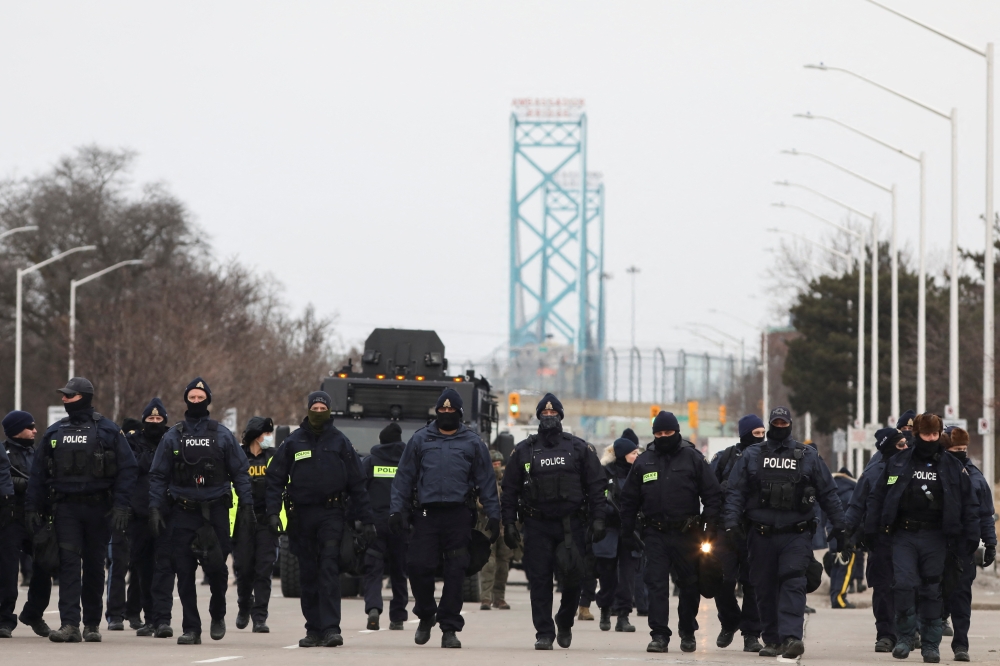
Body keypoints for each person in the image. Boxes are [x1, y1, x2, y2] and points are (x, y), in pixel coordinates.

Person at [723, 406, 845, 660]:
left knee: (793, 581)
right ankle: (772, 639)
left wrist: (840, 527)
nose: (779, 427)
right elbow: (736, 492)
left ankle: (791, 637)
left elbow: (828, 494)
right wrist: (731, 524)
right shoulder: (752, 455)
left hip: (796, 534)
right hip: (760, 533)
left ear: (790, 424)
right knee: (764, 587)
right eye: (775, 423)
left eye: (783, 423)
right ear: (770, 425)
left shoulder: (807, 455)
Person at [26, 377, 138, 643]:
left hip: (99, 508)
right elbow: (38, 474)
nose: (64, 400)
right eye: (64, 396)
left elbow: (128, 469)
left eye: (70, 396)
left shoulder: (108, 430)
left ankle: (91, 624)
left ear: (84, 397)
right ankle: (70, 624)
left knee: (95, 566)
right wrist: (32, 507)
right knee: (68, 565)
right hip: (66, 508)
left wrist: (122, 505)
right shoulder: (55, 432)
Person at [390, 388, 500, 649]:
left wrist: (494, 515)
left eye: (451, 410)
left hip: (458, 516)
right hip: (426, 515)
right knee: (418, 566)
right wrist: (397, 510)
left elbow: (486, 481)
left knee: (455, 572)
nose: (446, 413)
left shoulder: (473, 443)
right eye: (442, 410)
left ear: (459, 413)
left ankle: (449, 628)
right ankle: (427, 614)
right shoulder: (420, 440)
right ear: (437, 412)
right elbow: (403, 478)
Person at [865, 413, 980, 663]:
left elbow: (969, 503)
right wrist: (870, 530)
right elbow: (878, 497)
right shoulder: (898, 462)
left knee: (932, 590)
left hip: (937, 536)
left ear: (939, 435)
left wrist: (971, 536)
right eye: (926, 434)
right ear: (916, 434)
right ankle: (905, 637)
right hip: (904, 534)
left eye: (935, 434)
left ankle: (931, 644)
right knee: (904, 585)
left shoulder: (951, 465)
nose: (930, 438)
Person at [266, 391, 375, 648]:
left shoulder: (340, 442)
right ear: (308, 409)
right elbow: (274, 479)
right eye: (313, 407)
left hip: (332, 515)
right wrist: (272, 513)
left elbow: (358, 484)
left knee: (328, 569)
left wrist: (367, 521)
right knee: (308, 573)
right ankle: (313, 629)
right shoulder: (293, 442)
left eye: (322, 407)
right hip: (301, 516)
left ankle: (330, 629)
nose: (317, 411)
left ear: (328, 410)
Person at [148, 377, 252, 645]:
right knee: (183, 572)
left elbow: (240, 472)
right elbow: (158, 476)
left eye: (200, 397)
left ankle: (217, 614)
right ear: (186, 400)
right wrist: (156, 508)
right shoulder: (174, 435)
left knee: (217, 570)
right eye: (192, 398)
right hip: (183, 511)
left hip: (216, 510)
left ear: (208, 400)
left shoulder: (222, 434)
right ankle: (191, 628)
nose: (196, 402)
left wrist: (247, 505)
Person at [499, 394, 605, 650]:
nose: (549, 418)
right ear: (538, 418)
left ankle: (565, 620)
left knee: (573, 578)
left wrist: (599, 517)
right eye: (544, 415)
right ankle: (544, 632)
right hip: (537, 525)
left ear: (560, 417)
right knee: (540, 579)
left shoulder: (579, 448)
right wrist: (509, 523)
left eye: (553, 415)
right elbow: (510, 489)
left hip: (571, 525)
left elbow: (596, 486)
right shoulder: (524, 450)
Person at [619, 410, 721, 654]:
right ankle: (659, 635)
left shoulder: (693, 458)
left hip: (688, 533)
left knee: (689, 584)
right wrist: (627, 531)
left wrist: (710, 524)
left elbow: (713, 495)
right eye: (659, 433)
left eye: (668, 433)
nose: (664, 437)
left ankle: (687, 630)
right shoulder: (644, 461)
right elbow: (629, 500)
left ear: (677, 432)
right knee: (655, 583)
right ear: (654, 434)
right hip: (655, 533)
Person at [845, 427, 907, 653]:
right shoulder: (873, 473)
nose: (906, 448)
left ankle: (909, 631)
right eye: (900, 445)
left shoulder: (913, 467)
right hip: (881, 539)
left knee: (908, 585)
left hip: (908, 537)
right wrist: (846, 533)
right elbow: (856, 505)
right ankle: (886, 634)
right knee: (882, 588)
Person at [940, 426, 996, 662]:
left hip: (964, 545)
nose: (961, 453)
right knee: (931, 592)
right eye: (955, 450)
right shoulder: (934, 473)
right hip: (936, 543)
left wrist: (990, 542)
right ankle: (927, 634)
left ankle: (961, 644)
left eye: (963, 449)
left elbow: (986, 513)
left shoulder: (975, 477)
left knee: (961, 595)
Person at [708, 414, 763, 652]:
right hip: (725, 529)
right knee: (723, 580)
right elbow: (709, 490)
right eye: (756, 433)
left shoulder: (768, 457)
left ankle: (751, 633)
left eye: (763, 433)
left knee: (753, 583)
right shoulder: (724, 458)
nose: (760, 438)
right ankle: (729, 621)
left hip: (755, 528)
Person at [115, 400, 169, 636]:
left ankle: (163, 619)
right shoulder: (132, 441)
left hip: (167, 513)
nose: (155, 423)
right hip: (139, 515)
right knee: (143, 569)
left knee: (165, 568)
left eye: (159, 419)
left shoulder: (172, 438)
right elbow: (131, 467)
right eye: (151, 419)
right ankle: (150, 618)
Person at [0, 411, 51, 639]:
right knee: (8, 571)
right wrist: (25, 484)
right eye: (30, 426)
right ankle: (4, 619)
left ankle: (33, 613)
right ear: (16, 430)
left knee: (45, 565)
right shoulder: (4, 452)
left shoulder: (37, 453)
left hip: (35, 516)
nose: (35, 430)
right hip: (10, 518)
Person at [361, 422, 409, 630]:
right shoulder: (408, 463)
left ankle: (373, 607)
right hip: (401, 524)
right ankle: (397, 617)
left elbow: (359, 491)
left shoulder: (370, 462)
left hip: (376, 524)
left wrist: (361, 520)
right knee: (399, 571)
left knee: (373, 569)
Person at [233, 416, 277, 633]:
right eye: (266, 434)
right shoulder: (238, 456)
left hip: (266, 520)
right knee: (243, 568)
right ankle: (244, 605)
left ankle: (260, 617)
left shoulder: (274, 457)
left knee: (264, 569)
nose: (269, 438)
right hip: (242, 520)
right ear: (256, 435)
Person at [594, 436, 641, 633]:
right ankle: (605, 609)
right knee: (607, 576)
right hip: (609, 530)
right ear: (623, 455)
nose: (637, 455)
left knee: (628, 576)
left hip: (630, 532)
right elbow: (597, 498)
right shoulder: (605, 473)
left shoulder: (639, 472)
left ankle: (623, 616)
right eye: (633, 453)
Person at [479, 449, 515, 611]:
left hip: (504, 526)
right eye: (494, 464)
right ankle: (486, 598)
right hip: (487, 525)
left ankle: (499, 598)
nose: (497, 467)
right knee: (489, 562)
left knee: (503, 563)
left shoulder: (507, 480)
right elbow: (479, 503)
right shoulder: (482, 480)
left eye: (499, 464)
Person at [828, 467, 858, 609]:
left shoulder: (831, 492)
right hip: (847, 536)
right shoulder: (852, 493)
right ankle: (839, 598)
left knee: (836, 567)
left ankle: (834, 595)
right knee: (845, 569)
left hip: (833, 535)